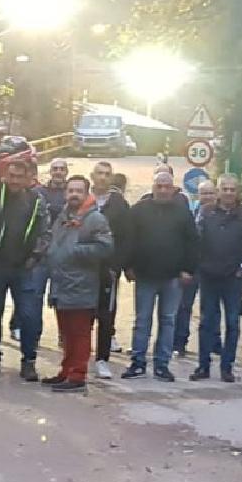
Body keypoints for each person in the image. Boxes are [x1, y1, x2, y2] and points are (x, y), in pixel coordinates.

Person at [0, 130, 49, 382]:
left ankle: (28, 361)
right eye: (12, 176)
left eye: (21, 176)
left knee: (27, 315)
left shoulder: (37, 200)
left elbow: (44, 231)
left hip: (24, 267)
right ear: (6, 176)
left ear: (29, 177)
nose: (16, 180)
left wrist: (35, 257)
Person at [120, 171, 198, 382]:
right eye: (159, 186)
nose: (163, 190)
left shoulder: (183, 213)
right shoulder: (138, 211)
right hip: (145, 275)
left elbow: (192, 243)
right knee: (142, 321)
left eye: (167, 186)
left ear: (173, 189)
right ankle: (137, 362)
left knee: (168, 320)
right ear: (152, 187)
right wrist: (128, 266)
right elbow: (129, 240)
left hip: (172, 277)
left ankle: (162, 365)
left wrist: (188, 269)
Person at [44, 175, 113, 393]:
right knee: (66, 334)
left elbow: (105, 248)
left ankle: (78, 375)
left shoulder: (95, 219)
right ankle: (66, 371)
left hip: (82, 286)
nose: (74, 194)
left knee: (80, 333)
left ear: (86, 193)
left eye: (78, 191)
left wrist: (75, 250)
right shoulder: (63, 216)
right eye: (70, 190)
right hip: (61, 285)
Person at [193, 175, 242, 383]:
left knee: (232, 323)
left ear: (237, 191)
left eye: (233, 189)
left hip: (233, 277)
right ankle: (203, 366)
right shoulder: (205, 212)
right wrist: (198, 264)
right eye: (225, 189)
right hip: (209, 275)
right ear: (218, 191)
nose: (229, 193)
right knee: (206, 322)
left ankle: (227, 367)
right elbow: (195, 239)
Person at [88, 161, 129, 379]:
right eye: (99, 173)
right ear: (92, 176)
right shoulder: (83, 199)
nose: (103, 177)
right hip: (83, 267)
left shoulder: (119, 204)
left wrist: (117, 265)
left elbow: (126, 237)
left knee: (105, 315)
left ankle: (102, 359)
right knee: (82, 314)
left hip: (108, 270)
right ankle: (78, 357)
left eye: (107, 174)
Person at [173, 180, 216, 357]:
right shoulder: (189, 213)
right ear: (198, 195)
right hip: (192, 266)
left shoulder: (222, 214)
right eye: (203, 193)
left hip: (214, 267)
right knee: (184, 306)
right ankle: (179, 343)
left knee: (211, 308)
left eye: (210, 193)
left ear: (216, 194)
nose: (207, 197)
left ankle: (213, 343)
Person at [42, 158, 69, 223]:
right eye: (55, 169)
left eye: (62, 169)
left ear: (66, 172)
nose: (58, 172)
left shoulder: (73, 192)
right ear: (50, 172)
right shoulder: (39, 192)